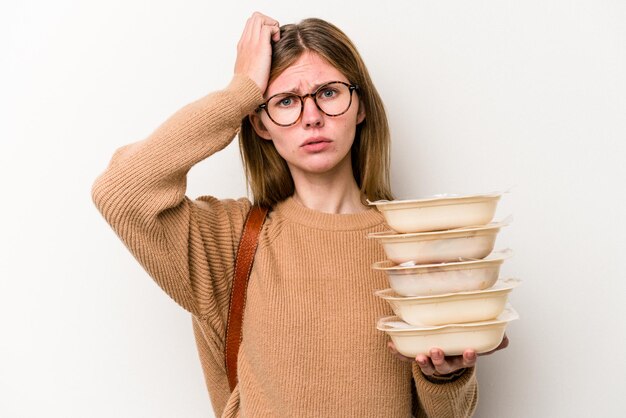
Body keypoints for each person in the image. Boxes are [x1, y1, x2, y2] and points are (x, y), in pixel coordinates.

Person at [92, 12, 506, 417]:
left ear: (360, 107)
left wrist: (446, 377)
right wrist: (240, 92)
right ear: (260, 124)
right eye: (285, 101)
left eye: (328, 92)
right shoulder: (230, 241)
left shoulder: (413, 243)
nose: (311, 117)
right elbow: (120, 191)